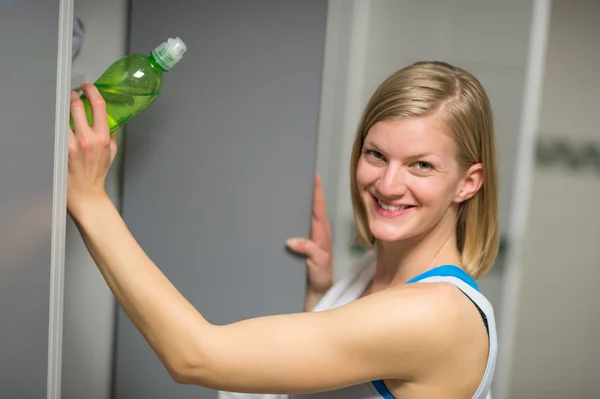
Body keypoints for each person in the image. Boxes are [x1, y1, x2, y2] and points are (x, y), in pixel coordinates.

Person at [67, 61, 498, 399]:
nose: (387, 184)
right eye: (376, 154)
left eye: (421, 165)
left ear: (468, 182)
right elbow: (344, 368)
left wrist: (90, 200)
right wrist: (326, 294)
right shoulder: (378, 272)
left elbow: (195, 358)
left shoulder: (435, 315)